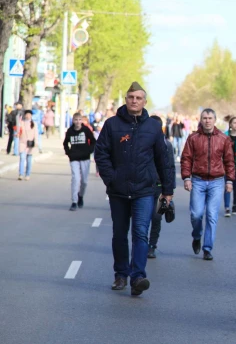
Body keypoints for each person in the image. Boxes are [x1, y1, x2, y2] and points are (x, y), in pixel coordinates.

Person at [94, 82, 175, 296]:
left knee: (140, 233)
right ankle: (121, 275)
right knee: (119, 234)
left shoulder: (153, 127)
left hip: (144, 191)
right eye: (131, 97)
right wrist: (111, 179)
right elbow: (101, 153)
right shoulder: (112, 125)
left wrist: (168, 189)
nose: (134, 101)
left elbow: (162, 159)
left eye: (138, 98)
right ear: (126, 99)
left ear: (144, 102)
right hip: (118, 190)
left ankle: (138, 277)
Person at [181, 108, 235, 261]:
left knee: (212, 215)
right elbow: (186, 158)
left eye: (210, 118)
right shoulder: (193, 138)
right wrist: (186, 178)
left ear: (215, 120)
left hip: (217, 182)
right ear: (201, 120)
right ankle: (197, 236)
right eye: (204, 118)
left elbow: (229, 161)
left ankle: (207, 248)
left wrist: (229, 180)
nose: (207, 120)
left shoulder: (223, 139)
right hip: (198, 180)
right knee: (196, 214)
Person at [147, 115, 176, 259]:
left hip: (159, 187)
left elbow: (170, 167)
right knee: (143, 218)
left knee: (156, 217)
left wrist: (170, 191)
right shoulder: (142, 144)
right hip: (144, 187)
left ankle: (152, 245)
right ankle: (141, 244)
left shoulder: (167, 145)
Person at [63, 113, 96, 211]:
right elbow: (65, 143)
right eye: (76, 120)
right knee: (76, 178)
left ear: (82, 121)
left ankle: (80, 196)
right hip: (74, 158)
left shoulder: (86, 130)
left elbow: (93, 141)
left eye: (79, 120)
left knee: (84, 181)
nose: (77, 122)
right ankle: (74, 201)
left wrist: (89, 150)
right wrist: (69, 153)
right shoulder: (70, 131)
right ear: (73, 120)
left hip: (85, 158)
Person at [17, 110, 37, 181]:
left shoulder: (34, 123)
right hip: (22, 142)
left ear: (31, 116)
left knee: (29, 159)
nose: (28, 116)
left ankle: (27, 174)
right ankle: (21, 174)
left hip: (30, 143)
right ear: (25, 115)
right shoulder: (21, 123)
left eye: (29, 114)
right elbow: (18, 131)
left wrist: (36, 142)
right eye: (27, 114)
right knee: (22, 158)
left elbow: (36, 134)